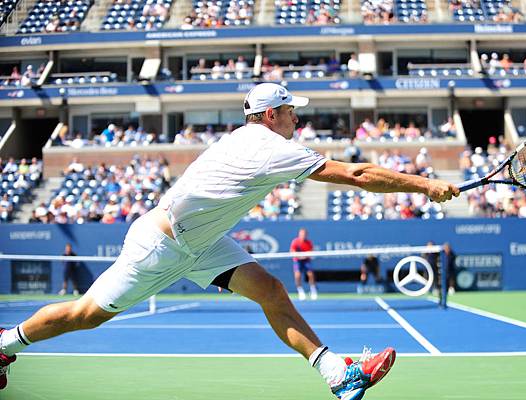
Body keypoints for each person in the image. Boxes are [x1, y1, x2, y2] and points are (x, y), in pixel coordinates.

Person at [0, 83, 458, 397]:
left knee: (271, 291)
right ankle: (6, 343)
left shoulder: (253, 139)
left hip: (203, 243)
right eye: (292, 111)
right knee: (85, 316)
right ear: (272, 115)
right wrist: (424, 184)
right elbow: (357, 174)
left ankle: (339, 376)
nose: (297, 118)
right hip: (160, 245)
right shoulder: (268, 146)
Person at [290, 228, 318, 300]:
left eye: (304, 234)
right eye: (301, 234)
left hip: (306, 261)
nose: (303, 235)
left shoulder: (309, 242)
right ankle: (300, 292)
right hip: (297, 261)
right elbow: (292, 252)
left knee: (310, 274)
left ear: (306, 235)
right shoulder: (295, 242)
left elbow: (311, 252)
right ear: (299, 234)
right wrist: (299, 257)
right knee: (297, 275)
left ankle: (313, 290)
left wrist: (304, 256)